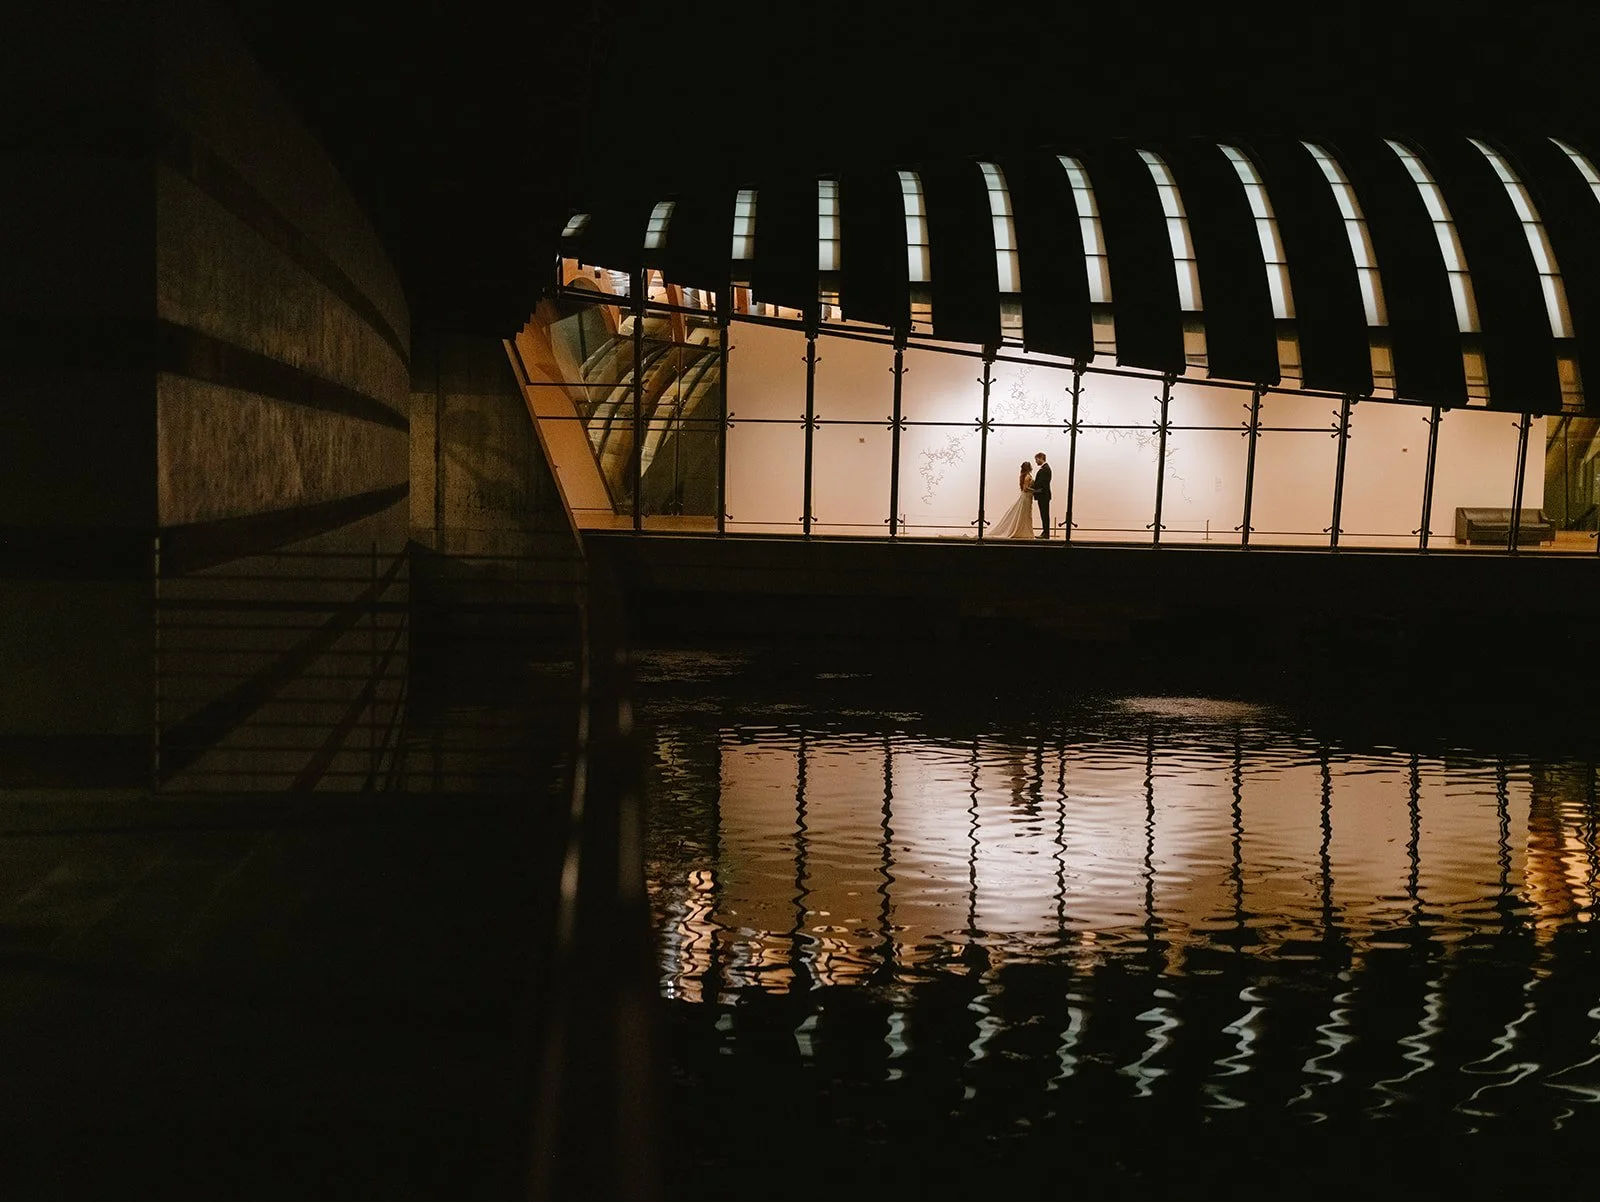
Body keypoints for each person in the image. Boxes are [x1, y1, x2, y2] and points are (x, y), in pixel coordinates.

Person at [988, 461, 1035, 539]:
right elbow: (1025, 488)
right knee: (1026, 514)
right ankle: (1024, 531)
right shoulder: (1027, 476)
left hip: (1027, 497)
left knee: (1025, 514)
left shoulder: (1024, 476)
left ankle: (1024, 531)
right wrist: (1035, 490)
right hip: (1026, 497)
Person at [1032, 452, 1053, 538]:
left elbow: (1042, 483)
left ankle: (1046, 533)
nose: (1036, 461)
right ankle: (1045, 532)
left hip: (1043, 495)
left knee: (1044, 514)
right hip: (1043, 495)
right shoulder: (1045, 468)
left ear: (1041, 458)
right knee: (1044, 514)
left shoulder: (1045, 469)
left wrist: (1032, 487)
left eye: (1036, 459)